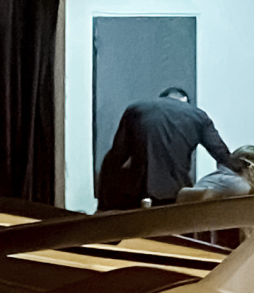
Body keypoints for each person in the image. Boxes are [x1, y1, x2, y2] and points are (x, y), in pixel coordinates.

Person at [99, 88, 241, 206]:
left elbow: (118, 155)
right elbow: (221, 153)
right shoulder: (198, 116)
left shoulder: (137, 109)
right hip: (176, 192)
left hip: (135, 190)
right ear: (185, 101)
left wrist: (105, 199)